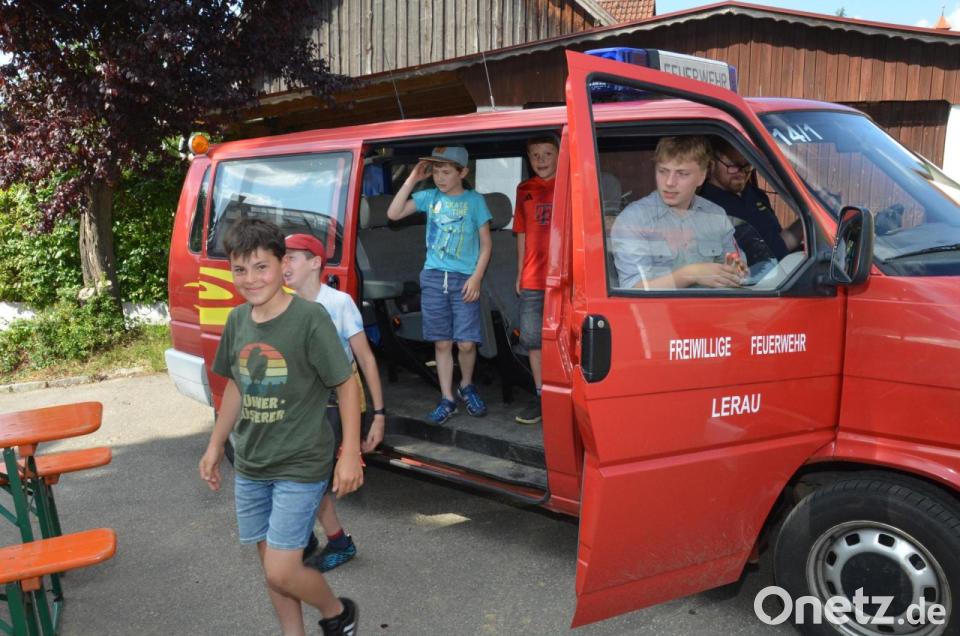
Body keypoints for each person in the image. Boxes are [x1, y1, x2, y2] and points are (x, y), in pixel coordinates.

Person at [198, 218, 362, 636]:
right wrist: (216, 445)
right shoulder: (237, 320)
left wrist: (350, 452)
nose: (250, 279)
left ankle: (337, 612)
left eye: (261, 267)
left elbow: (346, 384)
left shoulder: (309, 318)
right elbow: (236, 385)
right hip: (252, 464)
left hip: (301, 462)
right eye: (240, 269)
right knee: (271, 566)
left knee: (281, 569)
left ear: (282, 264)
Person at [282, 233, 385, 573]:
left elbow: (365, 359)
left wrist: (379, 414)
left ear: (315, 263)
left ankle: (339, 542)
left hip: (334, 402)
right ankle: (308, 537)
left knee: (312, 479)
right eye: (282, 258)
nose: (284, 264)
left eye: (292, 257)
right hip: (303, 402)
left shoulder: (338, 303)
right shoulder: (284, 304)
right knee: (299, 474)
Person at [386, 145, 493, 425]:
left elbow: (486, 245)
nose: (440, 178)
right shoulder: (429, 197)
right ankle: (447, 398)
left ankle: (466, 385)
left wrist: (476, 277)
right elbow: (394, 213)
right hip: (434, 278)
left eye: (446, 172)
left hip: (464, 280)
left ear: (463, 173)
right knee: (442, 342)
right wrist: (412, 179)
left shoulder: (474, 201)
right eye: (436, 171)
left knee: (466, 343)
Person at [611, 136, 744, 290]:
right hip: (658, 306)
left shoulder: (715, 214)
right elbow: (634, 289)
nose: (669, 182)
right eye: (663, 171)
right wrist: (690, 274)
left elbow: (738, 269)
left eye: (682, 174)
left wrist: (736, 269)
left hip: (713, 304)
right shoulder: (633, 219)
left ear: (702, 177)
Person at [513, 136, 558, 425]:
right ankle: (541, 394)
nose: (540, 160)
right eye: (535, 155)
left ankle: (563, 393)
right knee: (532, 339)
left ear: (560, 155)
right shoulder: (524, 189)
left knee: (563, 337)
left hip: (563, 278)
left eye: (547, 153)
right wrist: (520, 271)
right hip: (532, 277)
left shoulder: (569, 184)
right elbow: (522, 232)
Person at [700, 137, 802, 262]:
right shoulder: (704, 206)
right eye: (733, 164)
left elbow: (778, 245)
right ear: (712, 162)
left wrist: (809, 217)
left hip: (786, 269)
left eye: (746, 164)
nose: (742, 172)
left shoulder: (757, 195)